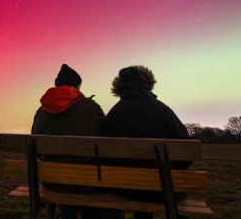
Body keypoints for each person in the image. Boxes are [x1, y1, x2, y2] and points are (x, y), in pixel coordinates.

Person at [101, 65, 190, 219]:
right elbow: (186, 151)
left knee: (137, 188)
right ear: (148, 85)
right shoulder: (163, 110)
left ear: (119, 88)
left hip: (124, 188)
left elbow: (103, 152)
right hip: (163, 188)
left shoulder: (114, 113)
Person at [31, 64, 108, 219]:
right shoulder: (90, 108)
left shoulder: (42, 111)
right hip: (87, 180)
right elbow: (105, 143)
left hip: (52, 180)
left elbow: (36, 149)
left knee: (65, 183)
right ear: (77, 86)